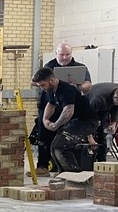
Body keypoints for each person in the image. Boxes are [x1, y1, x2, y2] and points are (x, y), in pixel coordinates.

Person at [32, 42, 92, 176]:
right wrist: (46, 119)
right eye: (62, 54)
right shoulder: (49, 67)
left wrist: (76, 86)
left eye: (68, 54)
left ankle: (70, 172)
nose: (65, 57)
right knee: (44, 136)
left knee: (60, 142)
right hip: (50, 104)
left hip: (69, 106)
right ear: (56, 54)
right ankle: (43, 166)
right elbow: (36, 82)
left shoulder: (80, 68)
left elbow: (87, 86)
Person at [86, 81, 118, 161]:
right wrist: (90, 137)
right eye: (117, 103)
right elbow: (86, 118)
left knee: (102, 134)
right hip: (87, 106)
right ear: (115, 97)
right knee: (91, 129)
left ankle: (102, 160)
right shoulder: (98, 99)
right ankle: (89, 161)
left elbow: (116, 108)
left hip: (104, 106)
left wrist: (113, 124)